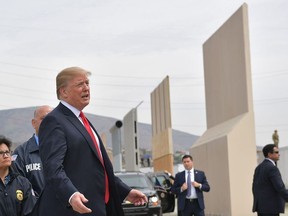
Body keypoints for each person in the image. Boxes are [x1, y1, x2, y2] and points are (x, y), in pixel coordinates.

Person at [32, 67, 147, 216]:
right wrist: (71, 195)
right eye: (80, 84)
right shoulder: (54, 121)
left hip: (99, 207)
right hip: (76, 209)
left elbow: (98, 169)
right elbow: (52, 168)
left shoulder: (83, 121)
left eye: (87, 83)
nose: (86, 88)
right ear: (64, 92)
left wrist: (126, 191)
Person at [12, 105, 53, 197]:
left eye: (51, 119)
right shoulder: (21, 153)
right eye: (43, 118)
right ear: (34, 123)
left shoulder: (65, 149)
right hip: (34, 209)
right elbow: (17, 188)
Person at [0, 135, 36, 216]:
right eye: (1, 153)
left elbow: (31, 211)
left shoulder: (23, 183)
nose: (5, 156)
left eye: (7, 152)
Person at [252, 144, 288, 216]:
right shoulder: (272, 168)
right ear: (269, 154)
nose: (279, 154)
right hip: (271, 208)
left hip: (261, 207)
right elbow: (280, 187)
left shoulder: (258, 167)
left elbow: (254, 187)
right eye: (276, 152)